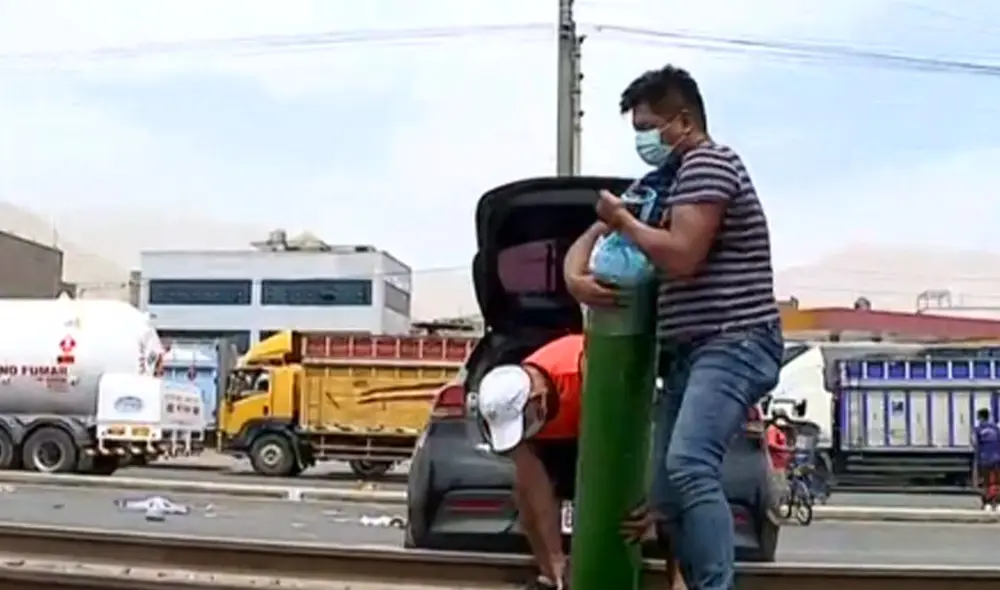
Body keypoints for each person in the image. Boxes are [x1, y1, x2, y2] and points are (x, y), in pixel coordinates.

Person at [564, 64, 782, 590]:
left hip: (735, 339)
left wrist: (624, 223)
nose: (642, 139)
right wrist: (575, 277)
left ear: (683, 121)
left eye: (648, 127)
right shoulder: (662, 183)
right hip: (691, 351)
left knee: (689, 464)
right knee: (663, 495)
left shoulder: (709, 165)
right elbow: (589, 235)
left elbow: (682, 256)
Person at [475, 333, 684, 590]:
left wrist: (654, 491)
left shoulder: (584, 373)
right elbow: (536, 485)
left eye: (525, 424)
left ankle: (680, 581)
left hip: (618, 430)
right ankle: (553, 580)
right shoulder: (514, 408)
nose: (524, 432)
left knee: (660, 507)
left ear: (537, 399)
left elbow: (648, 430)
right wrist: (556, 558)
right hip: (568, 435)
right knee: (525, 500)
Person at [973, 408, 1000, 510]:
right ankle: (997, 503)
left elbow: (975, 443)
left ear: (980, 417)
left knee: (985, 482)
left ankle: (987, 503)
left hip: (984, 459)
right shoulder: (996, 428)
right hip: (997, 458)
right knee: (996, 482)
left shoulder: (978, 429)